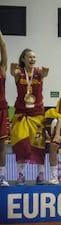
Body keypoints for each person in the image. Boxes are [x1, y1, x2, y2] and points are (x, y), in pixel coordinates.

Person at [10, 48, 49, 185]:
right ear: (23, 59)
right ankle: (20, 174)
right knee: (20, 143)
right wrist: (13, 71)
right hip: (21, 114)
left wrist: (45, 73)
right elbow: (12, 73)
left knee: (39, 145)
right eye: (30, 57)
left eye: (34, 57)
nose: (33, 59)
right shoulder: (19, 73)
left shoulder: (39, 73)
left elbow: (45, 73)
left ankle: (41, 174)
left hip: (37, 115)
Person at [0, 31, 9, 187]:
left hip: (2, 110)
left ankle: (1, 176)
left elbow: (3, 45)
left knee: (2, 146)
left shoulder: (1, 69)